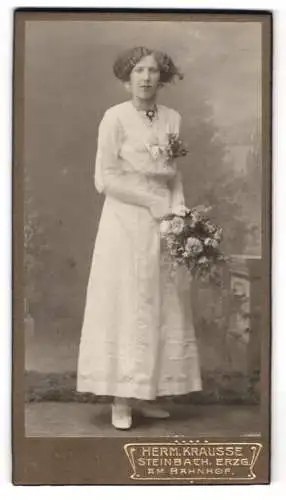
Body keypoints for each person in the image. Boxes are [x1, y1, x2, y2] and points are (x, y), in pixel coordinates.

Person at [77, 46, 202, 429]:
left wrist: (178, 211)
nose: (146, 78)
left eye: (153, 71)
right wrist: (150, 201)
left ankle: (148, 393)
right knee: (128, 301)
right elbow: (106, 178)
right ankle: (121, 399)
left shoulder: (172, 118)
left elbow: (173, 172)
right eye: (138, 71)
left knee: (161, 301)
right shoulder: (114, 118)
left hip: (163, 221)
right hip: (125, 220)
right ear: (126, 77)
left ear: (162, 77)